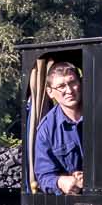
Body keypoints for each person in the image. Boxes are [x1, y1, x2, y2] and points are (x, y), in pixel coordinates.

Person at [32, 58, 85, 195]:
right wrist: (62, 181)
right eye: (61, 86)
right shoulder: (46, 130)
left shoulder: (101, 113)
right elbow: (44, 176)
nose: (69, 90)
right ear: (50, 92)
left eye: (72, 82)